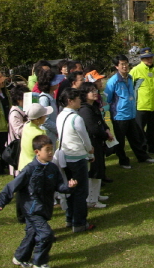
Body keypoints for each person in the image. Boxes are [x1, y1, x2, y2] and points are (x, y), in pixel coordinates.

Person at [0, 135, 77, 268]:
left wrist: (69, 187)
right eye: (47, 150)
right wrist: (1, 201)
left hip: (45, 207)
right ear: (37, 152)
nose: (50, 152)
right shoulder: (29, 169)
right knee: (46, 234)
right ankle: (39, 262)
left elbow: (59, 186)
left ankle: (20, 257)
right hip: (31, 209)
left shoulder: (52, 168)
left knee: (32, 233)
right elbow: (12, 185)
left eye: (51, 149)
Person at [105, 55, 154, 169]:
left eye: (126, 63)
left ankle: (143, 157)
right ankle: (123, 161)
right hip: (119, 116)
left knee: (135, 138)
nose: (125, 66)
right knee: (120, 141)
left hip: (131, 114)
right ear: (116, 66)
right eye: (122, 64)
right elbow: (107, 100)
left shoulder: (129, 78)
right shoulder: (112, 81)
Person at [57, 88, 95, 232]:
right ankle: (79, 223)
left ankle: (70, 218)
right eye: (78, 98)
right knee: (80, 191)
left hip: (65, 157)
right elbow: (84, 138)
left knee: (70, 189)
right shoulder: (76, 118)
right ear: (70, 101)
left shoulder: (60, 115)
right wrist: (90, 151)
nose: (81, 100)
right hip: (77, 157)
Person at [78, 82, 113, 208]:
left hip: (98, 141)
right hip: (92, 143)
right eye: (91, 91)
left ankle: (96, 195)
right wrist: (105, 135)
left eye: (95, 90)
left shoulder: (93, 106)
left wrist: (107, 129)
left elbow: (101, 122)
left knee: (99, 168)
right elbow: (93, 128)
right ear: (84, 94)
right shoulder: (85, 110)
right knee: (94, 170)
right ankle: (91, 200)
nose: (95, 93)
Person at [130, 47, 154, 154]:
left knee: (152, 129)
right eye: (146, 58)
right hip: (140, 105)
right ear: (141, 58)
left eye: (150, 57)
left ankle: (152, 147)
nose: (149, 60)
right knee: (139, 129)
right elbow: (129, 86)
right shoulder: (136, 70)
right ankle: (142, 149)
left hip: (153, 105)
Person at [18, 104, 51, 172]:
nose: (46, 116)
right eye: (44, 115)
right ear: (37, 119)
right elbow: (44, 154)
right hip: (35, 168)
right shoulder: (40, 134)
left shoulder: (26, 126)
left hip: (23, 166)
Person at [7, 84, 30, 176]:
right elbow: (19, 131)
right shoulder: (15, 113)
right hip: (17, 148)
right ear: (18, 99)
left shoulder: (25, 109)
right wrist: (30, 123)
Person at [37, 69, 63, 148]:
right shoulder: (44, 98)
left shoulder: (51, 96)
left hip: (52, 134)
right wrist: (57, 129)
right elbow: (45, 120)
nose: (58, 83)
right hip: (48, 134)